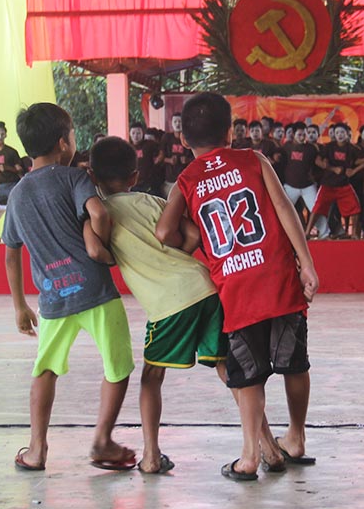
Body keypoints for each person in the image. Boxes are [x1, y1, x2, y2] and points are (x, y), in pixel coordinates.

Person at [84, 136, 284, 474]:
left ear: (91, 176)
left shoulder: (97, 217)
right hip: (204, 286)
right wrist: (175, 261)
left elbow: (96, 253)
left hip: (167, 304)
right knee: (229, 370)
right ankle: (269, 449)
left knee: (151, 377)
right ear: (135, 176)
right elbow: (192, 237)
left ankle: (150, 456)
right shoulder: (151, 201)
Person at [156, 92, 318, 482]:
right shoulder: (253, 160)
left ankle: (249, 457)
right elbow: (284, 209)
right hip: (278, 279)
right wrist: (307, 264)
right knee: (294, 362)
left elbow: (164, 231)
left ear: (183, 140)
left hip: (236, 289)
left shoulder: (187, 179)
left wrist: (194, 239)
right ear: (230, 132)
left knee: (248, 375)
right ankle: (295, 437)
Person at [2, 103, 135, 472]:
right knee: (118, 365)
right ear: (63, 143)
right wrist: (101, 247)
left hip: (53, 298)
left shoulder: (16, 196)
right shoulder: (74, 179)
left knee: (45, 369)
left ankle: (36, 449)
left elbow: (11, 254)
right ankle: (102, 440)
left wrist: (19, 306)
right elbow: (100, 213)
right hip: (95, 290)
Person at [306, 123, 364, 239]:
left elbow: (363, 161)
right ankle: (307, 233)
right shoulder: (328, 147)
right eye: (337, 133)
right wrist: (330, 167)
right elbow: (318, 161)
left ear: (347, 134)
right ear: (334, 135)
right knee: (317, 208)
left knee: (356, 208)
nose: (340, 135)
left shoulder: (352, 148)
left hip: (343, 185)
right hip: (327, 184)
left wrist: (354, 171)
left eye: (342, 132)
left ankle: (354, 234)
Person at [161, 112, 193, 198]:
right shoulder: (167, 138)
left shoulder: (189, 138)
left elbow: (196, 158)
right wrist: (169, 160)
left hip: (186, 180)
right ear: (171, 123)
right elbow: (160, 157)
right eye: (175, 121)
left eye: (180, 121)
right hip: (170, 179)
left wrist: (187, 160)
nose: (177, 124)